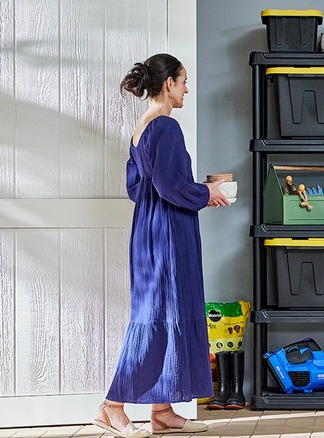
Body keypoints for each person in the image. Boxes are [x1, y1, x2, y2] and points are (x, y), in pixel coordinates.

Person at [92, 53, 229, 438]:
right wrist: (208, 191)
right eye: (183, 81)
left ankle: (163, 410)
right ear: (168, 83)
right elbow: (170, 187)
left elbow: (138, 188)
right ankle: (110, 407)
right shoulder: (166, 128)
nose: (186, 88)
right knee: (155, 320)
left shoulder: (141, 127)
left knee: (167, 315)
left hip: (149, 231)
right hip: (169, 234)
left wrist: (192, 190)